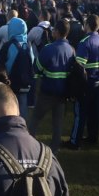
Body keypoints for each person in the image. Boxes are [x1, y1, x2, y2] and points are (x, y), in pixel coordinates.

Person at [29, 19, 76, 152]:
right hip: (63, 93)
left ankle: (30, 145)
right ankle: (55, 149)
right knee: (57, 122)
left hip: (47, 92)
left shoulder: (48, 49)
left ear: (56, 32)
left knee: (35, 119)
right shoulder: (72, 50)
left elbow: (37, 68)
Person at [67, 14, 99, 149]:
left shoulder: (85, 42)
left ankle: (74, 141)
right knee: (95, 112)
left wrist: (76, 86)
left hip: (87, 83)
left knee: (80, 113)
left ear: (87, 25)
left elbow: (79, 67)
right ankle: (93, 137)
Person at [0, 17, 34, 120]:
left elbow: (2, 64)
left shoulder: (8, 46)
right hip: (25, 83)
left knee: (9, 107)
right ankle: (23, 128)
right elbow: (31, 61)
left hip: (11, 83)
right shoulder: (28, 45)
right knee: (22, 106)